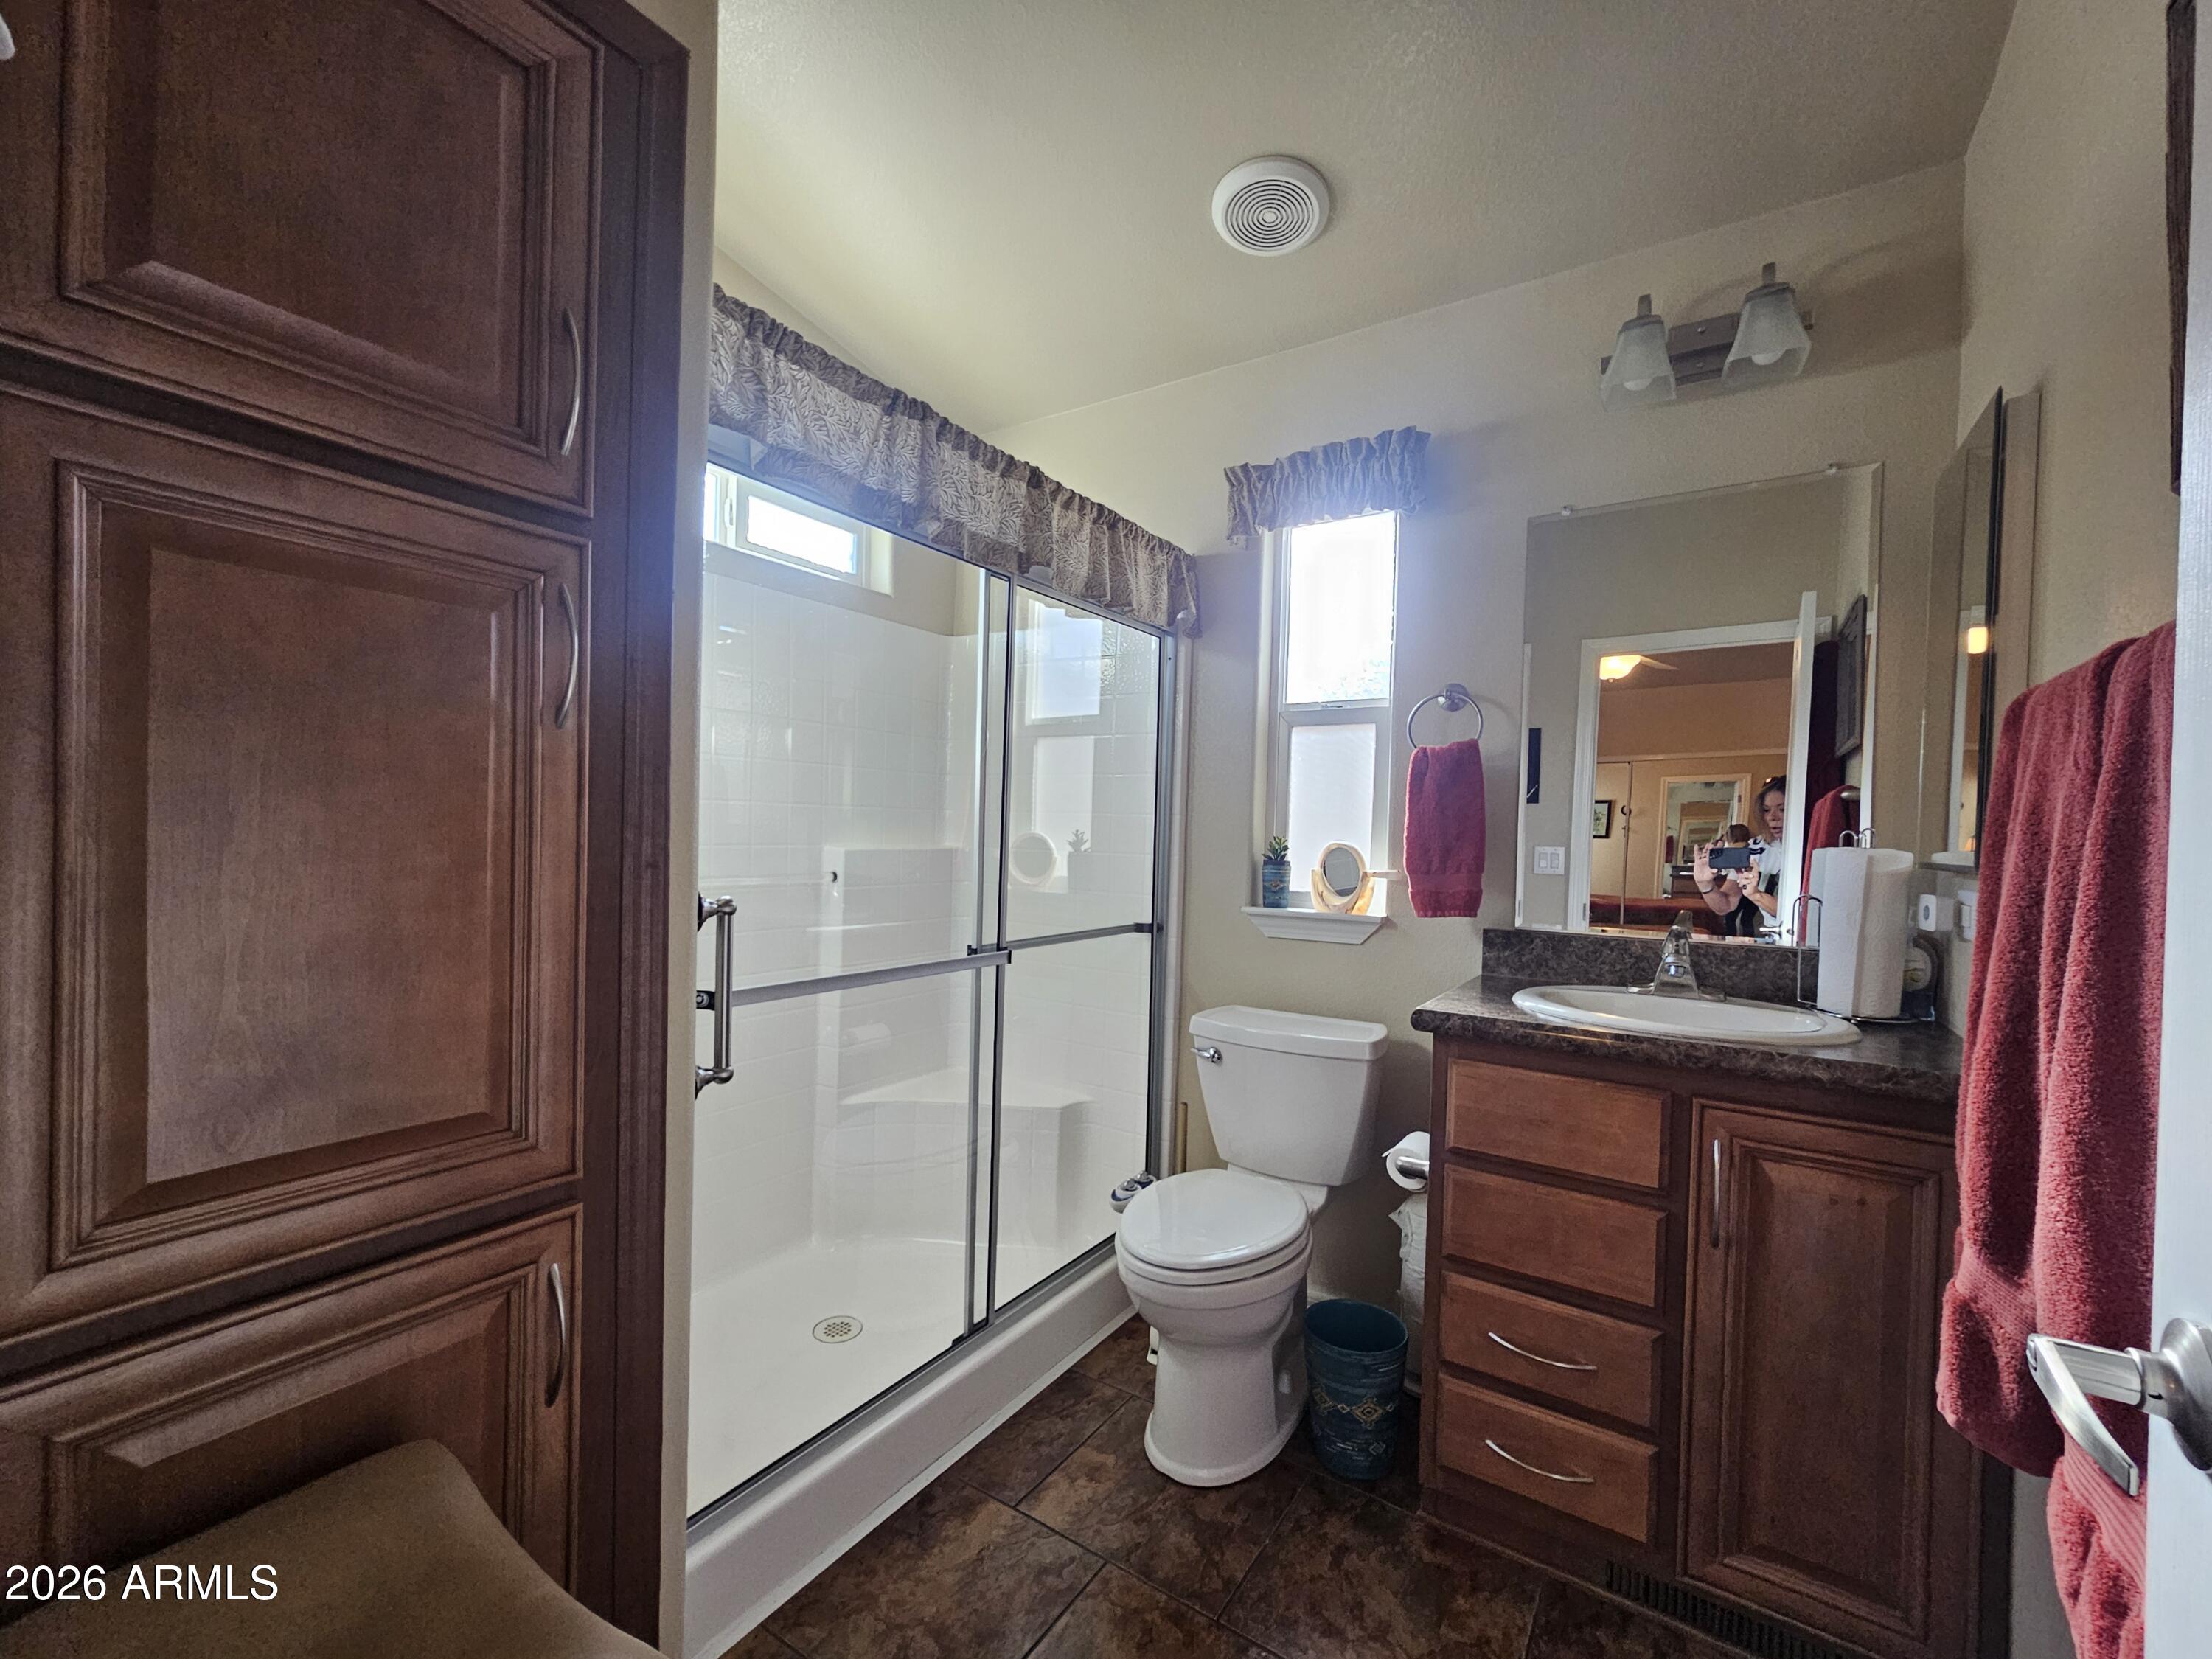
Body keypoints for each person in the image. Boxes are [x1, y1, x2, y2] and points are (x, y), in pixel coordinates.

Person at [1693, 777, 1787, 936]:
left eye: (1782, 809)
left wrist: (1757, 895)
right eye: (1766, 810)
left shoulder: (1809, 849)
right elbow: (1726, 905)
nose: (1773, 817)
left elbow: (1799, 915)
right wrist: (1705, 884)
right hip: (1773, 938)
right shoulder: (1753, 849)